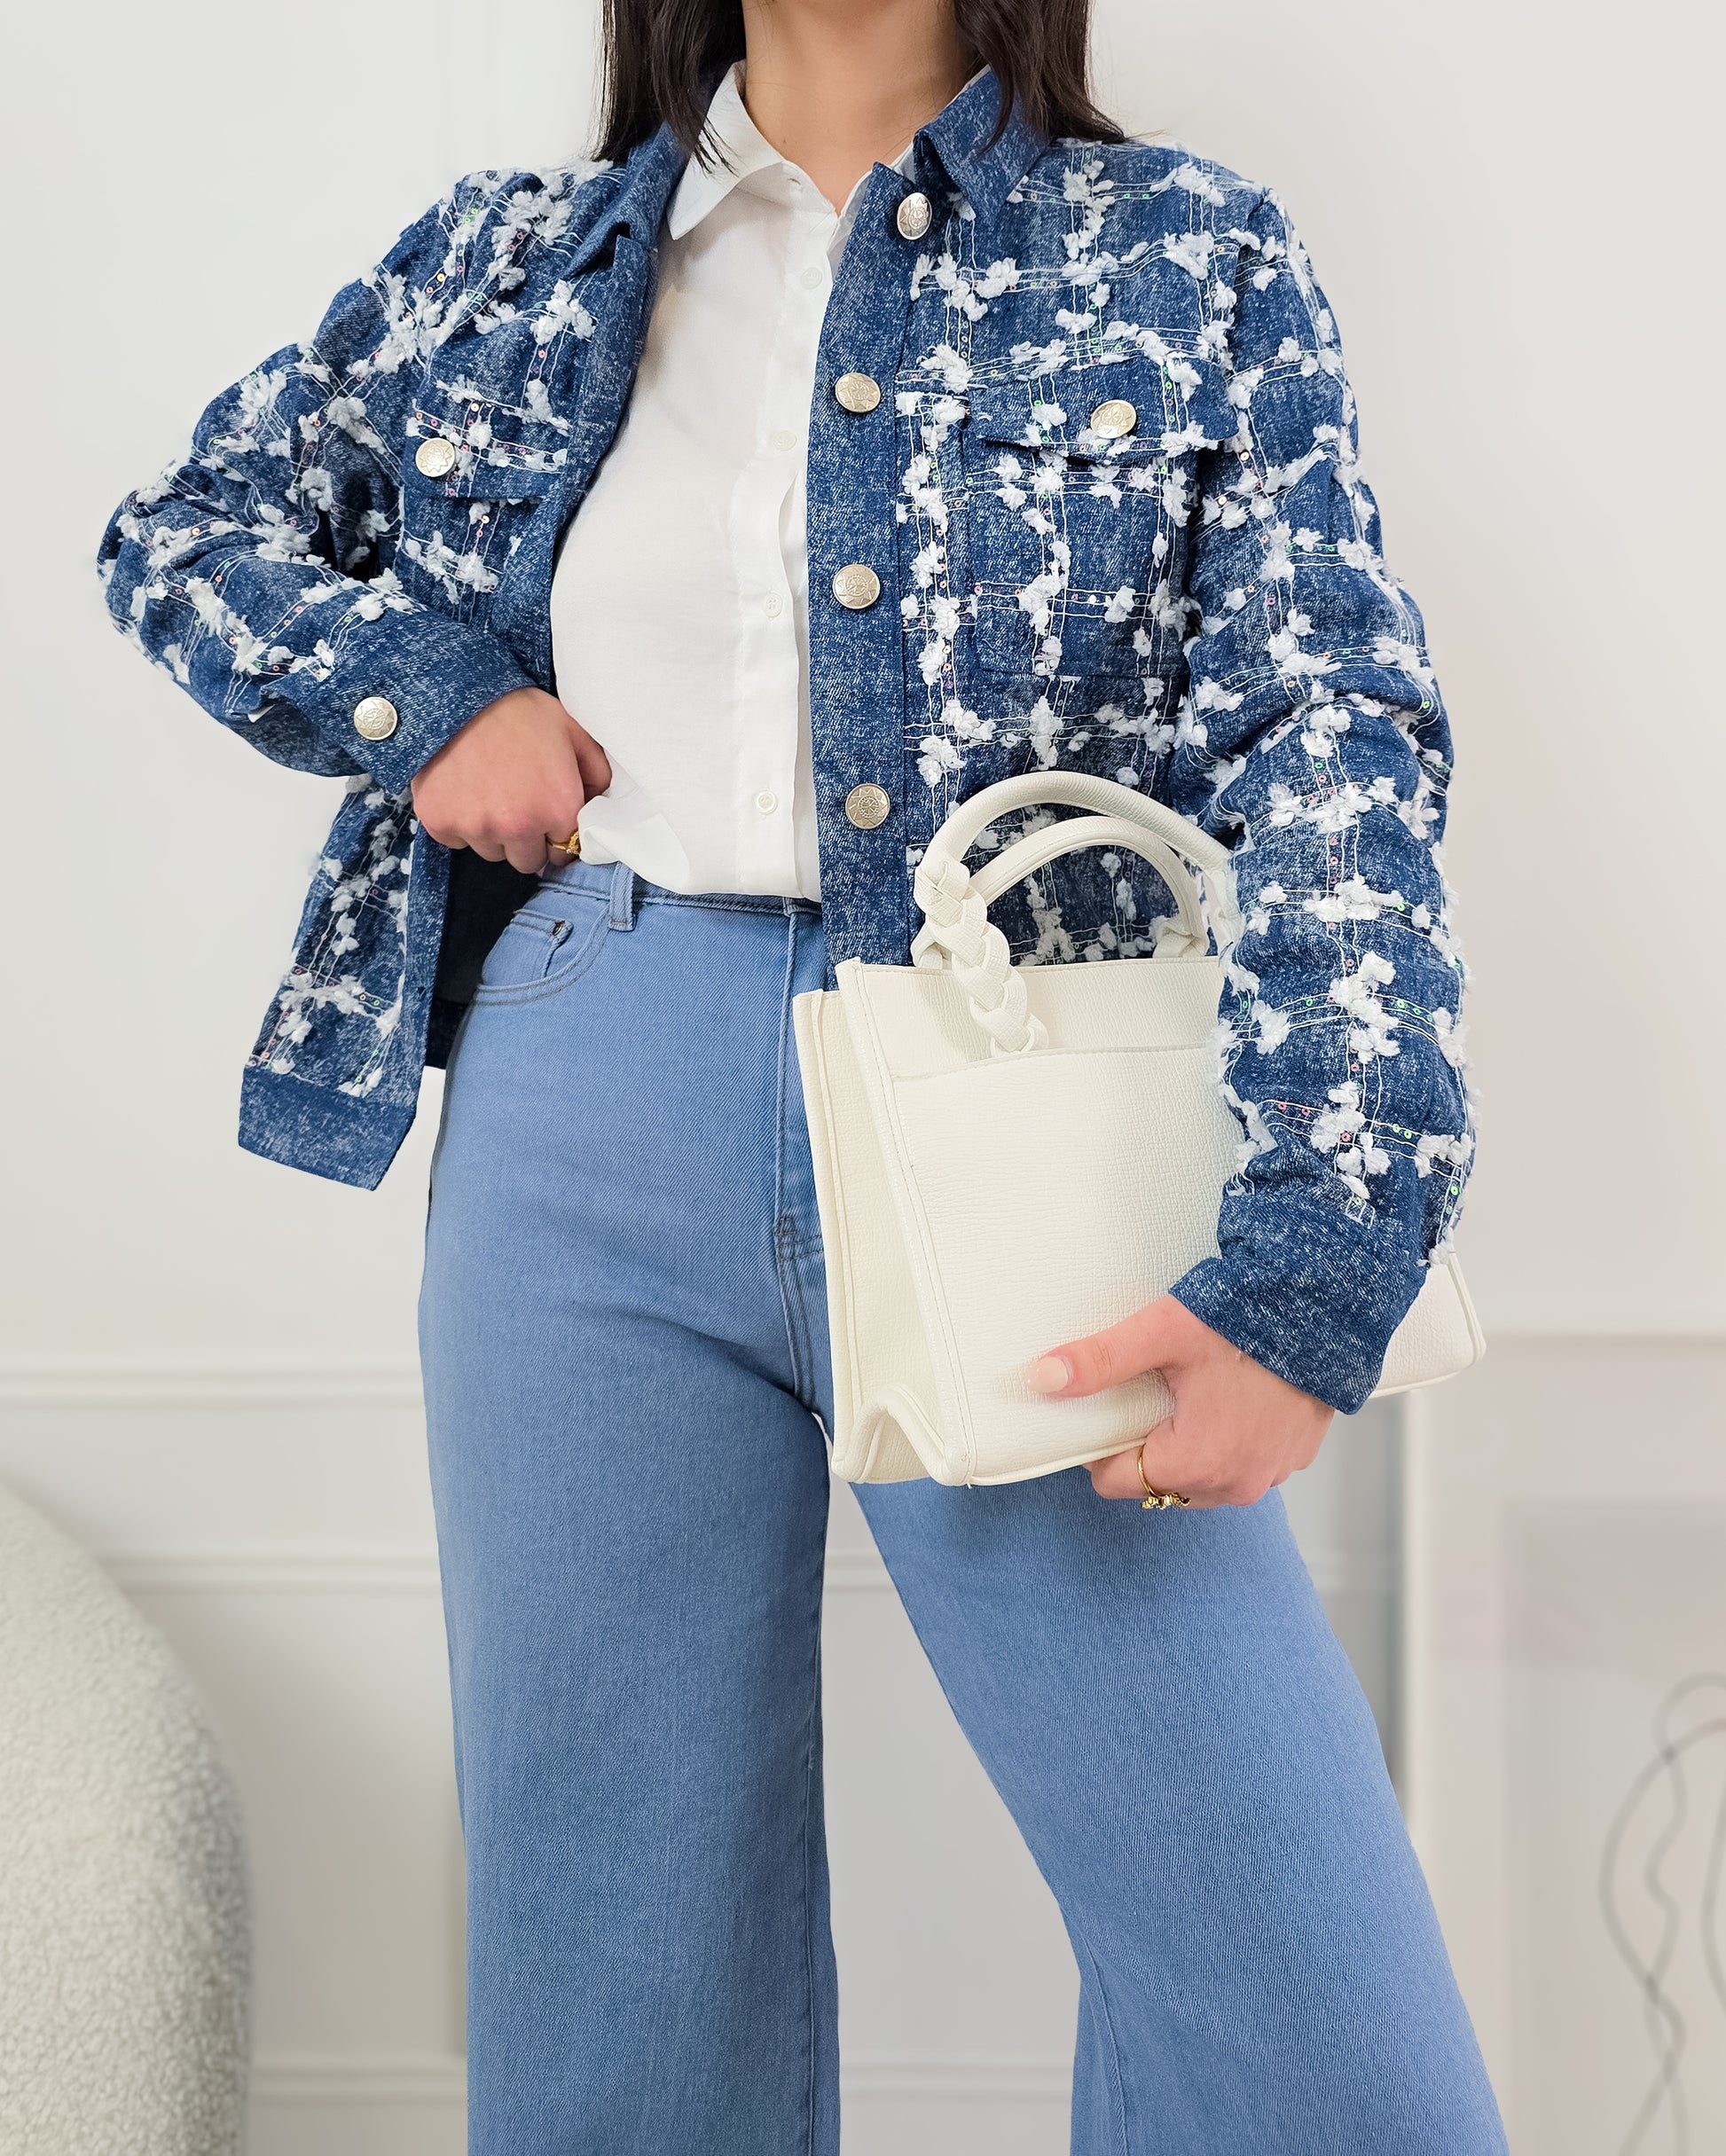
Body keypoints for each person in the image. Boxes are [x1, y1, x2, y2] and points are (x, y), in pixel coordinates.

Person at [98, 0, 1499, 2147]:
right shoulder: (510, 264)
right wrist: (428, 694)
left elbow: (1330, 730)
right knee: (621, 2010)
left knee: (1317, 2048)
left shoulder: (1178, 252)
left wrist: (1319, 1252)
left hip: (1010, 1122)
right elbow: (187, 527)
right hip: (585, 1106)